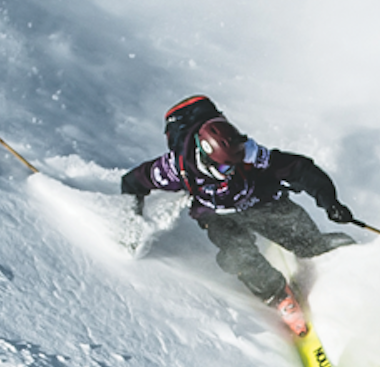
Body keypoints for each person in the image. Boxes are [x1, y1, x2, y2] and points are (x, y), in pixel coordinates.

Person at [121, 95, 357, 333]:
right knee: (237, 255)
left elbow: (299, 170)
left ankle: (326, 256)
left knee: (305, 241)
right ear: (205, 158)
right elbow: (131, 182)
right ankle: (278, 296)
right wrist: (132, 221)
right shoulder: (174, 168)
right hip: (217, 214)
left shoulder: (249, 154)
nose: (231, 170)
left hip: (259, 201)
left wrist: (330, 202)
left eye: (235, 163)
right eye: (225, 168)